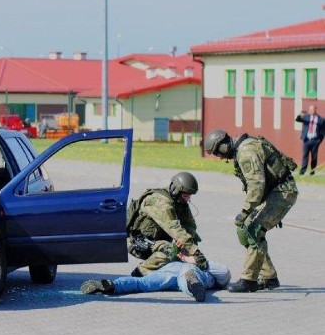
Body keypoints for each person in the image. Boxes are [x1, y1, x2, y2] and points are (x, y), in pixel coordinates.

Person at [204, 129, 298, 292]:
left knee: (252, 230)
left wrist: (245, 212)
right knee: (245, 231)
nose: (219, 157)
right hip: (276, 193)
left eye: (218, 152)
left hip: (282, 192)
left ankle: (248, 280)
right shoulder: (244, 148)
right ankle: (269, 277)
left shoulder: (246, 152)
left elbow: (256, 185)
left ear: (224, 145)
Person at [126, 171, 208, 277]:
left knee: (182, 251)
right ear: (176, 190)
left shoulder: (180, 201)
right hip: (138, 241)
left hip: (157, 241)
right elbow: (173, 227)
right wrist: (196, 252)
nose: (188, 199)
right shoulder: (160, 202)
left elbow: (190, 224)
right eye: (185, 195)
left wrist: (185, 242)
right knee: (171, 252)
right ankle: (139, 273)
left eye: (189, 196)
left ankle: (157, 268)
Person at [81, 256, 232, 303]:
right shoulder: (211, 274)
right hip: (188, 270)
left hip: (170, 268)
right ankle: (193, 285)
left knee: (143, 283)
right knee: (190, 280)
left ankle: (112, 285)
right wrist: (194, 261)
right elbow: (225, 273)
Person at [295, 103, 324, 176]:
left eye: (312, 109)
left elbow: (323, 131)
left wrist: (319, 141)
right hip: (306, 140)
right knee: (305, 155)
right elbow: (297, 120)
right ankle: (303, 171)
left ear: (315, 109)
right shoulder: (306, 117)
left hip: (315, 140)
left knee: (314, 157)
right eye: (310, 109)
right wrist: (300, 114)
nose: (311, 110)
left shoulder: (321, 119)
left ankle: (312, 171)